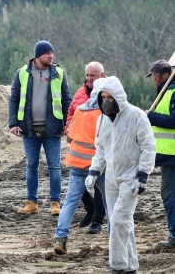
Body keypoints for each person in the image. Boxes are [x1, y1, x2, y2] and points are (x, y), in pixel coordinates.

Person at [85, 76, 156, 274]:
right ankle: (131, 266)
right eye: (103, 97)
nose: (106, 101)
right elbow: (100, 148)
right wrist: (94, 170)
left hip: (130, 177)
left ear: (118, 97)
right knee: (122, 222)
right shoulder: (102, 119)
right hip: (111, 178)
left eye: (109, 97)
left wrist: (143, 174)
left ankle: (117, 266)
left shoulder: (135, 115)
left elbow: (148, 146)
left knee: (118, 221)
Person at [9, 40, 71, 215]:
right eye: (47, 53)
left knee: (54, 167)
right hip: (28, 128)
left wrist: (68, 123)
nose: (51, 56)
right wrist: (13, 123)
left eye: (52, 53)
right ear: (38, 55)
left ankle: (55, 203)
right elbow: (13, 99)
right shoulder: (22, 73)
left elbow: (67, 100)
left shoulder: (58, 73)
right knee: (31, 166)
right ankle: (32, 203)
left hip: (53, 128)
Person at [54, 78, 108, 254]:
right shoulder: (103, 113)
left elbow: (70, 135)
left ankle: (60, 238)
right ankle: (114, 235)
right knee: (110, 201)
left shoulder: (80, 110)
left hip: (76, 163)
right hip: (97, 165)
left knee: (70, 202)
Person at [66, 61, 106, 234]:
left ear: (102, 76)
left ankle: (97, 220)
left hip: (100, 149)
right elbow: (71, 113)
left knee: (99, 186)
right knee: (79, 183)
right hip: (81, 150)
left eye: (93, 75)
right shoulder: (80, 93)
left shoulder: (109, 94)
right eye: (87, 75)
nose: (89, 79)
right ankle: (90, 211)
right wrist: (69, 128)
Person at [145, 59, 175, 248]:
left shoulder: (172, 92)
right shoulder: (167, 92)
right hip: (168, 156)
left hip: (172, 155)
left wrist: (151, 116)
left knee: (169, 194)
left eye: (153, 78)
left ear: (157, 77)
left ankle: (174, 235)